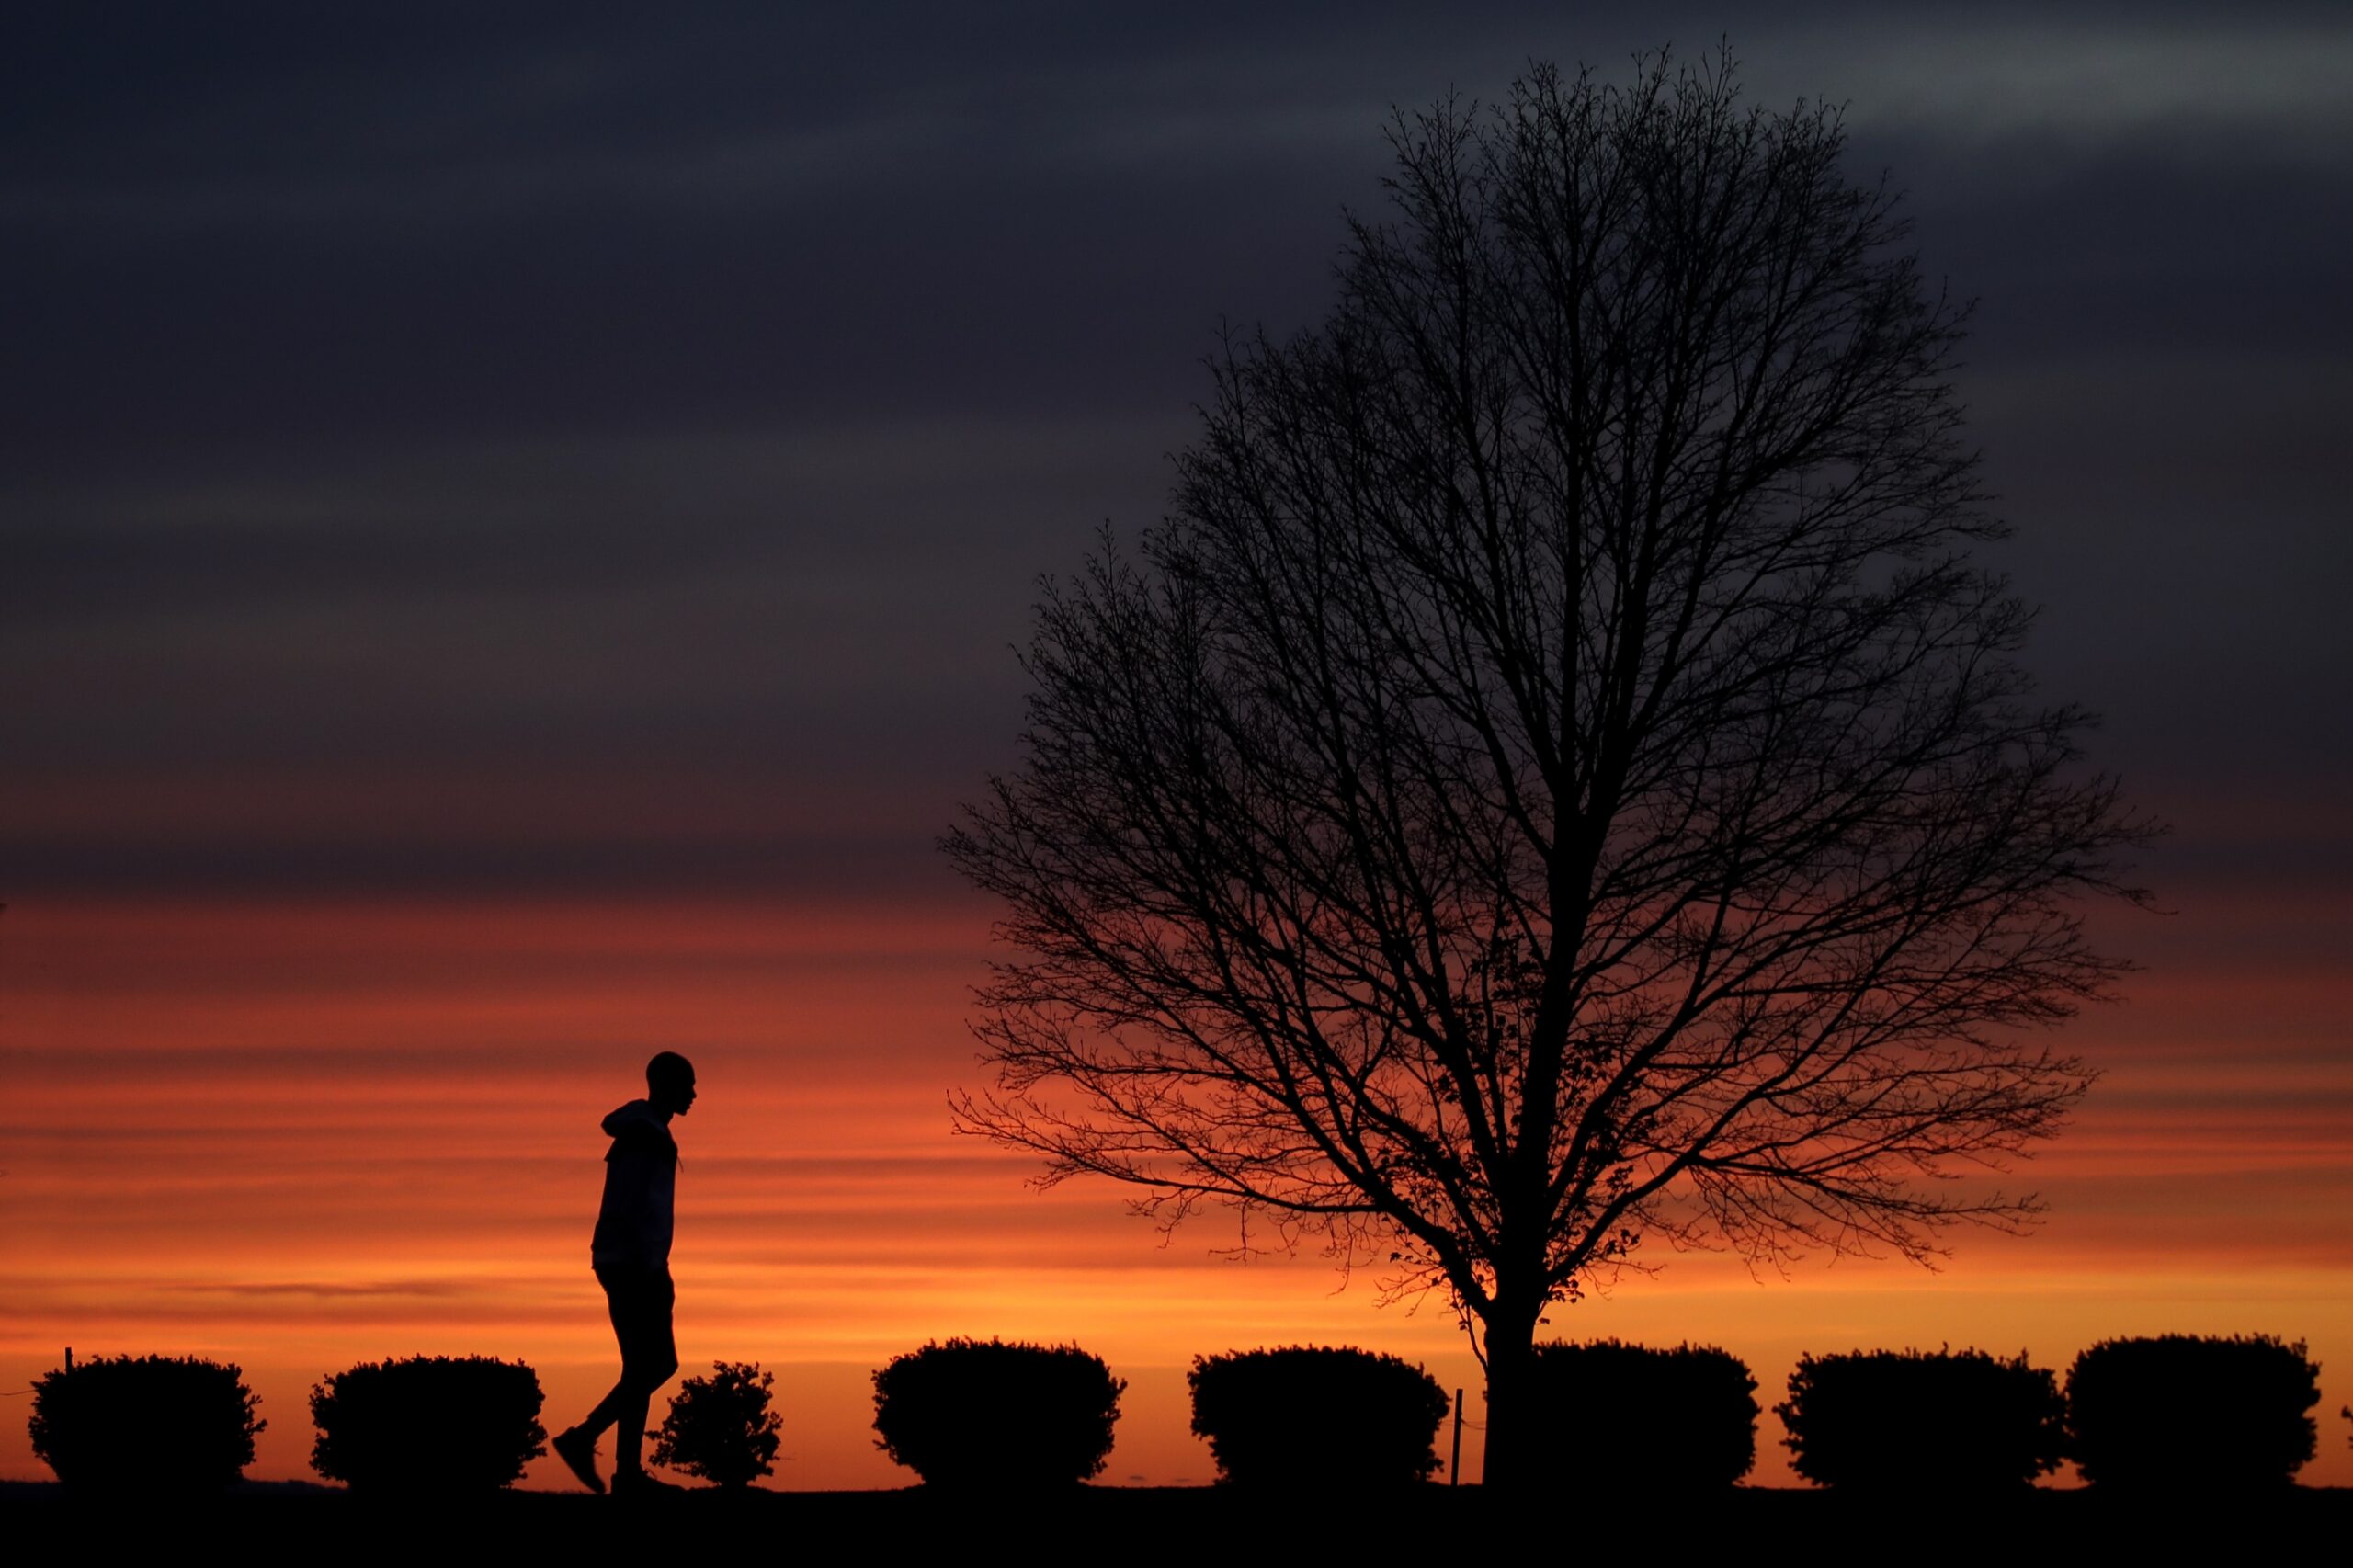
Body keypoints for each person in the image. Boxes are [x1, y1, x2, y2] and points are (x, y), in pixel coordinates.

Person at [552, 1051, 697, 1494]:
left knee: (641, 1366)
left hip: (635, 1260)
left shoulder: (649, 1131)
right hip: (634, 1263)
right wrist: (649, 1264)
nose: (693, 1094)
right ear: (666, 1084)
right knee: (657, 1364)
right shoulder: (645, 1133)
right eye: (687, 1084)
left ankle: (627, 1473)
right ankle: (584, 1438)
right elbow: (634, 1203)